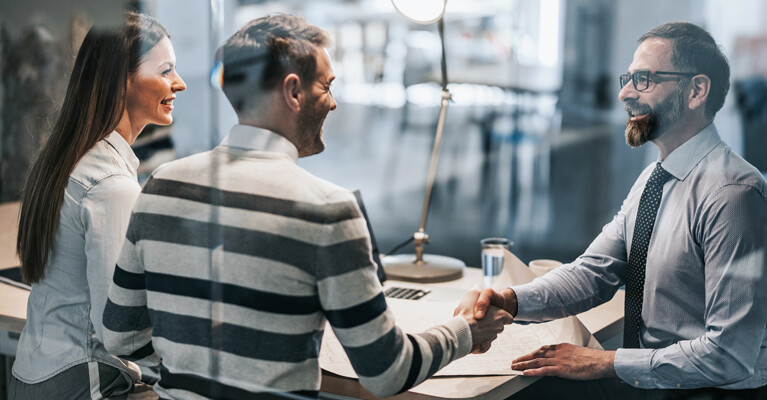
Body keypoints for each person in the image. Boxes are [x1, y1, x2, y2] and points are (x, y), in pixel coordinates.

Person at [101, 13, 512, 400]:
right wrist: (466, 333)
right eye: (326, 86)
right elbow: (386, 372)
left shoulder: (160, 187)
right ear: (294, 91)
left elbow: (122, 338)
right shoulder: (328, 210)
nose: (332, 103)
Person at [475, 22, 767, 399]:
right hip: (650, 381)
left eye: (644, 79)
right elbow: (594, 273)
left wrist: (603, 362)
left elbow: (728, 355)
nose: (625, 93)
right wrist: (511, 301)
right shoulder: (654, 178)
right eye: (628, 78)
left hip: (707, 392)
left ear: (696, 91)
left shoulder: (733, 194)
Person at [12, 11, 186, 400]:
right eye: (166, 70)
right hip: (81, 380)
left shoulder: (68, 157)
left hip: (35, 373)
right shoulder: (110, 186)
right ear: (122, 80)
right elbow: (117, 332)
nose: (180, 83)